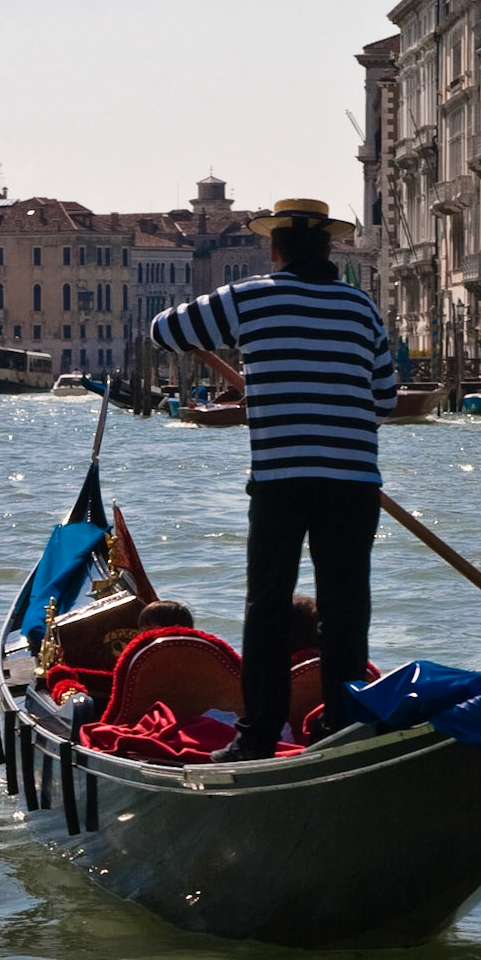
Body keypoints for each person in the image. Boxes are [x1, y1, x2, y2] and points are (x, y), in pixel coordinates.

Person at [150, 198, 397, 760]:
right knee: (346, 608)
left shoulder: (250, 297)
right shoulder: (361, 309)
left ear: (275, 247)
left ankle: (258, 735)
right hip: (353, 481)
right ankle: (342, 726)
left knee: (267, 605)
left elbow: (164, 331)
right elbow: (382, 399)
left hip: (283, 480)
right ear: (328, 248)